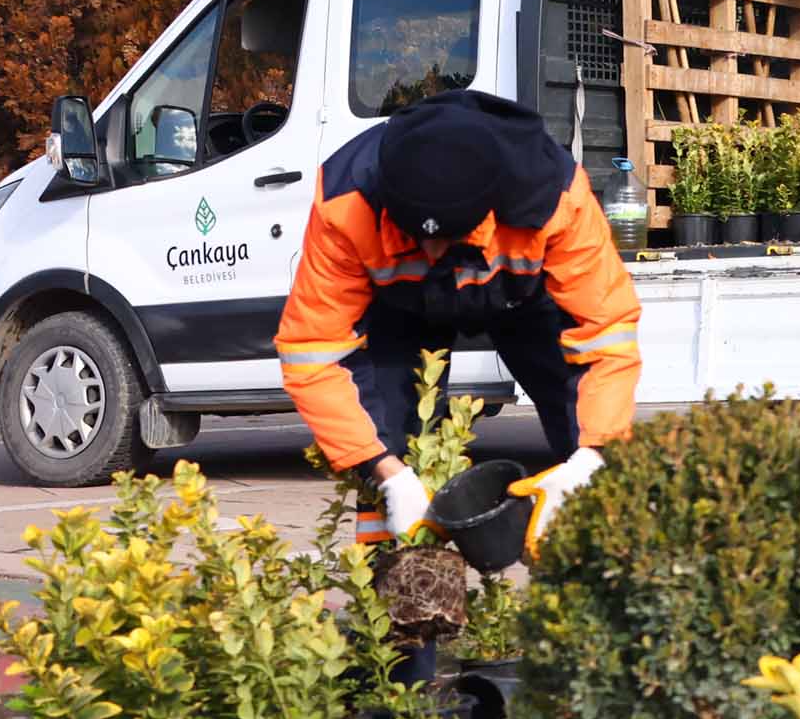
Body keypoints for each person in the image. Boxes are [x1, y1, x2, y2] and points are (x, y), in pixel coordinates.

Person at [273, 89, 641, 555]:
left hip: (525, 301)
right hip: (400, 309)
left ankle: (595, 574)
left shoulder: (554, 195)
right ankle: (397, 601)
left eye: (447, 239)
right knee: (388, 431)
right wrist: (385, 473)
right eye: (413, 237)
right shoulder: (348, 200)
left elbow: (607, 336)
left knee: (587, 432)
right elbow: (313, 353)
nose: (429, 253)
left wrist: (592, 457)